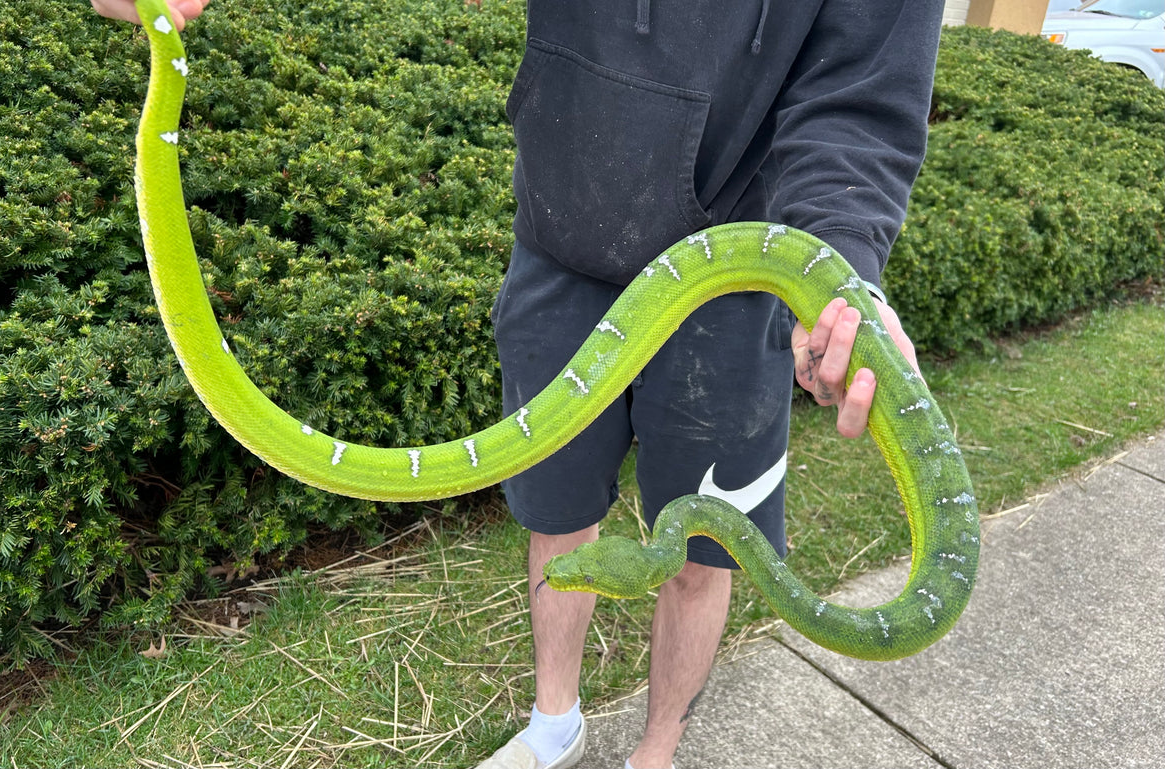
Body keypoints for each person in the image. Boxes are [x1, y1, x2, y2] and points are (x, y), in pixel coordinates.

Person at [92, 2, 933, 768]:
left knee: (703, 549)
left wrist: (840, 268)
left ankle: (658, 749)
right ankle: (553, 721)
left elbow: (859, 96)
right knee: (556, 512)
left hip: (737, 277)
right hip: (563, 245)